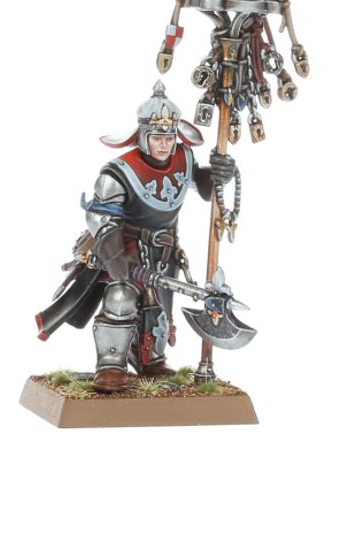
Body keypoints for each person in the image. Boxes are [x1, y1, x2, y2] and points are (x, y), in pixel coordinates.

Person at [36, 81, 235, 393]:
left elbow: (202, 186)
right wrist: (118, 259)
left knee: (159, 307)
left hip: (164, 249)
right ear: (143, 136)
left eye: (169, 137)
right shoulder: (118, 172)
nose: (164, 145)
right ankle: (111, 366)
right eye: (157, 137)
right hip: (123, 245)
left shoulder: (184, 158)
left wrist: (218, 174)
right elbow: (101, 219)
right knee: (121, 298)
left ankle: (150, 361)